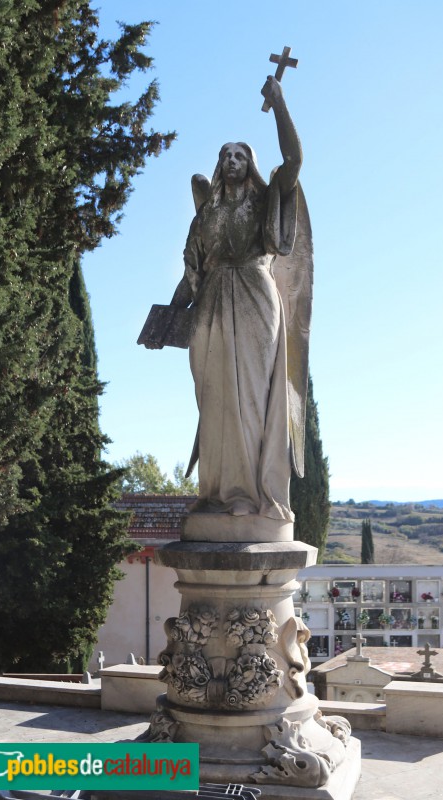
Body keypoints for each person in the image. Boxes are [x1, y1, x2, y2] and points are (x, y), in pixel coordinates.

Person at [158, 76, 312, 521]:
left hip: (254, 298)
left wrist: (279, 103)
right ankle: (215, 492)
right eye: (225, 154)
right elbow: (192, 274)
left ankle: (247, 494)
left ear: (251, 164)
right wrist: (168, 319)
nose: (231, 160)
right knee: (213, 401)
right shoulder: (205, 215)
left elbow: (294, 159)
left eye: (240, 154)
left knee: (249, 400)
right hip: (208, 306)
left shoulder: (267, 200)